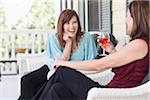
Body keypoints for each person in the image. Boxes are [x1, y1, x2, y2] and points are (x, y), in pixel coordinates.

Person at [32, 1, 149, 100]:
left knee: (62, 71)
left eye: (128, 16)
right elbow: (125, 67)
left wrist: (63, 62)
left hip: (111, 95)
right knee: (55, 90)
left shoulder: (139, 44)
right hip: (108, 90)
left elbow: (99, 65)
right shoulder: (138, 44)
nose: (125, 20)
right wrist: (112, 50)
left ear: (137, 19)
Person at [18, 9, 98, 99]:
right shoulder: (54, 38)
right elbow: (59, 63)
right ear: (62, 25)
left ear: (78, 24)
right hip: (51, 69)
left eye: (74, 22)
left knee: (49, 87)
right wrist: (69, 43)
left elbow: (91, 62)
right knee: (26, 80)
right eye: (67, 23)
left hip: (75, 72)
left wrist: (69, 42)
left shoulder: (86, 38)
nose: (72, 27)